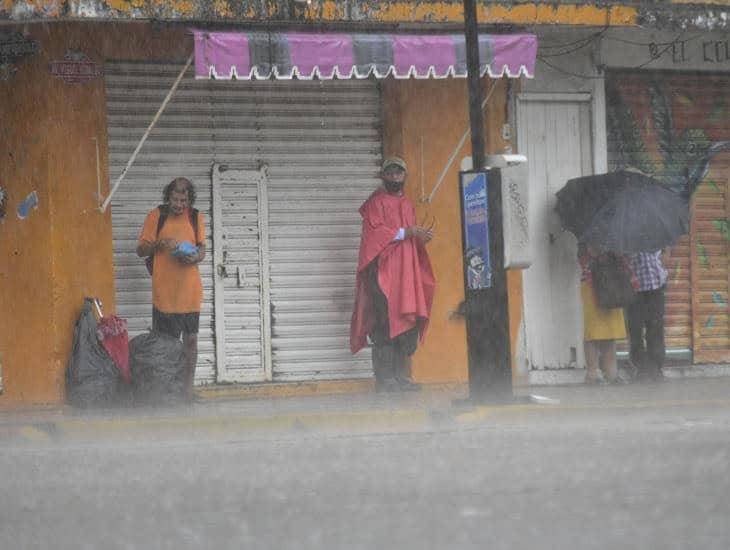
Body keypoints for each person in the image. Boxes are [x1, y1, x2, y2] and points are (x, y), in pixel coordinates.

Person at [350, 157, 436, 392]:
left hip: (405, 276)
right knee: (384, 324)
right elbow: (374, 236)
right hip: (382, 274)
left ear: (404, 176)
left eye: (399, 173)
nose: (395, 177)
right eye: (390, 173)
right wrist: (407, 232)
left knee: (406, 325)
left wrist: (419, 237)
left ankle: (401, 378)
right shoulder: (375, 203)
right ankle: (384, 379)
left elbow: (409, 239)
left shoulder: (407, 204)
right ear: (383, 176)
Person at [137, 177, 206, 400]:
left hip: (190, 293)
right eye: (175, 199)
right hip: (164, 294)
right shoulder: (156, 216)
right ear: (168, 197)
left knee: (191, 342)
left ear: (189, 200)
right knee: (164, 346)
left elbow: (202, 249)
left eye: (183, 200)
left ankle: (187, 391)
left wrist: (196, 256)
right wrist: (159, 244)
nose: (178, 205)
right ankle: (165, 391)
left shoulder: (196, 217)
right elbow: (140, 250)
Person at [578, 243, 629, 385]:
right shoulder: (588, 234)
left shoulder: (615, 232)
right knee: (593, 331)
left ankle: (611, 373)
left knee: (611, 330)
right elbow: (591, 252)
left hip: (612, 283)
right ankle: (592, 373)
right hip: (592, 284)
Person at [626, 250, 667, 382]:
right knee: (635, 329)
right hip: (634, 290)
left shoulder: (653, 232)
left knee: (656, 328)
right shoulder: (626, 237)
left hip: (656, 287)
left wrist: (663, 269)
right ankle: (640, 367)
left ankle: (656, 367)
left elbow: (665, 252)